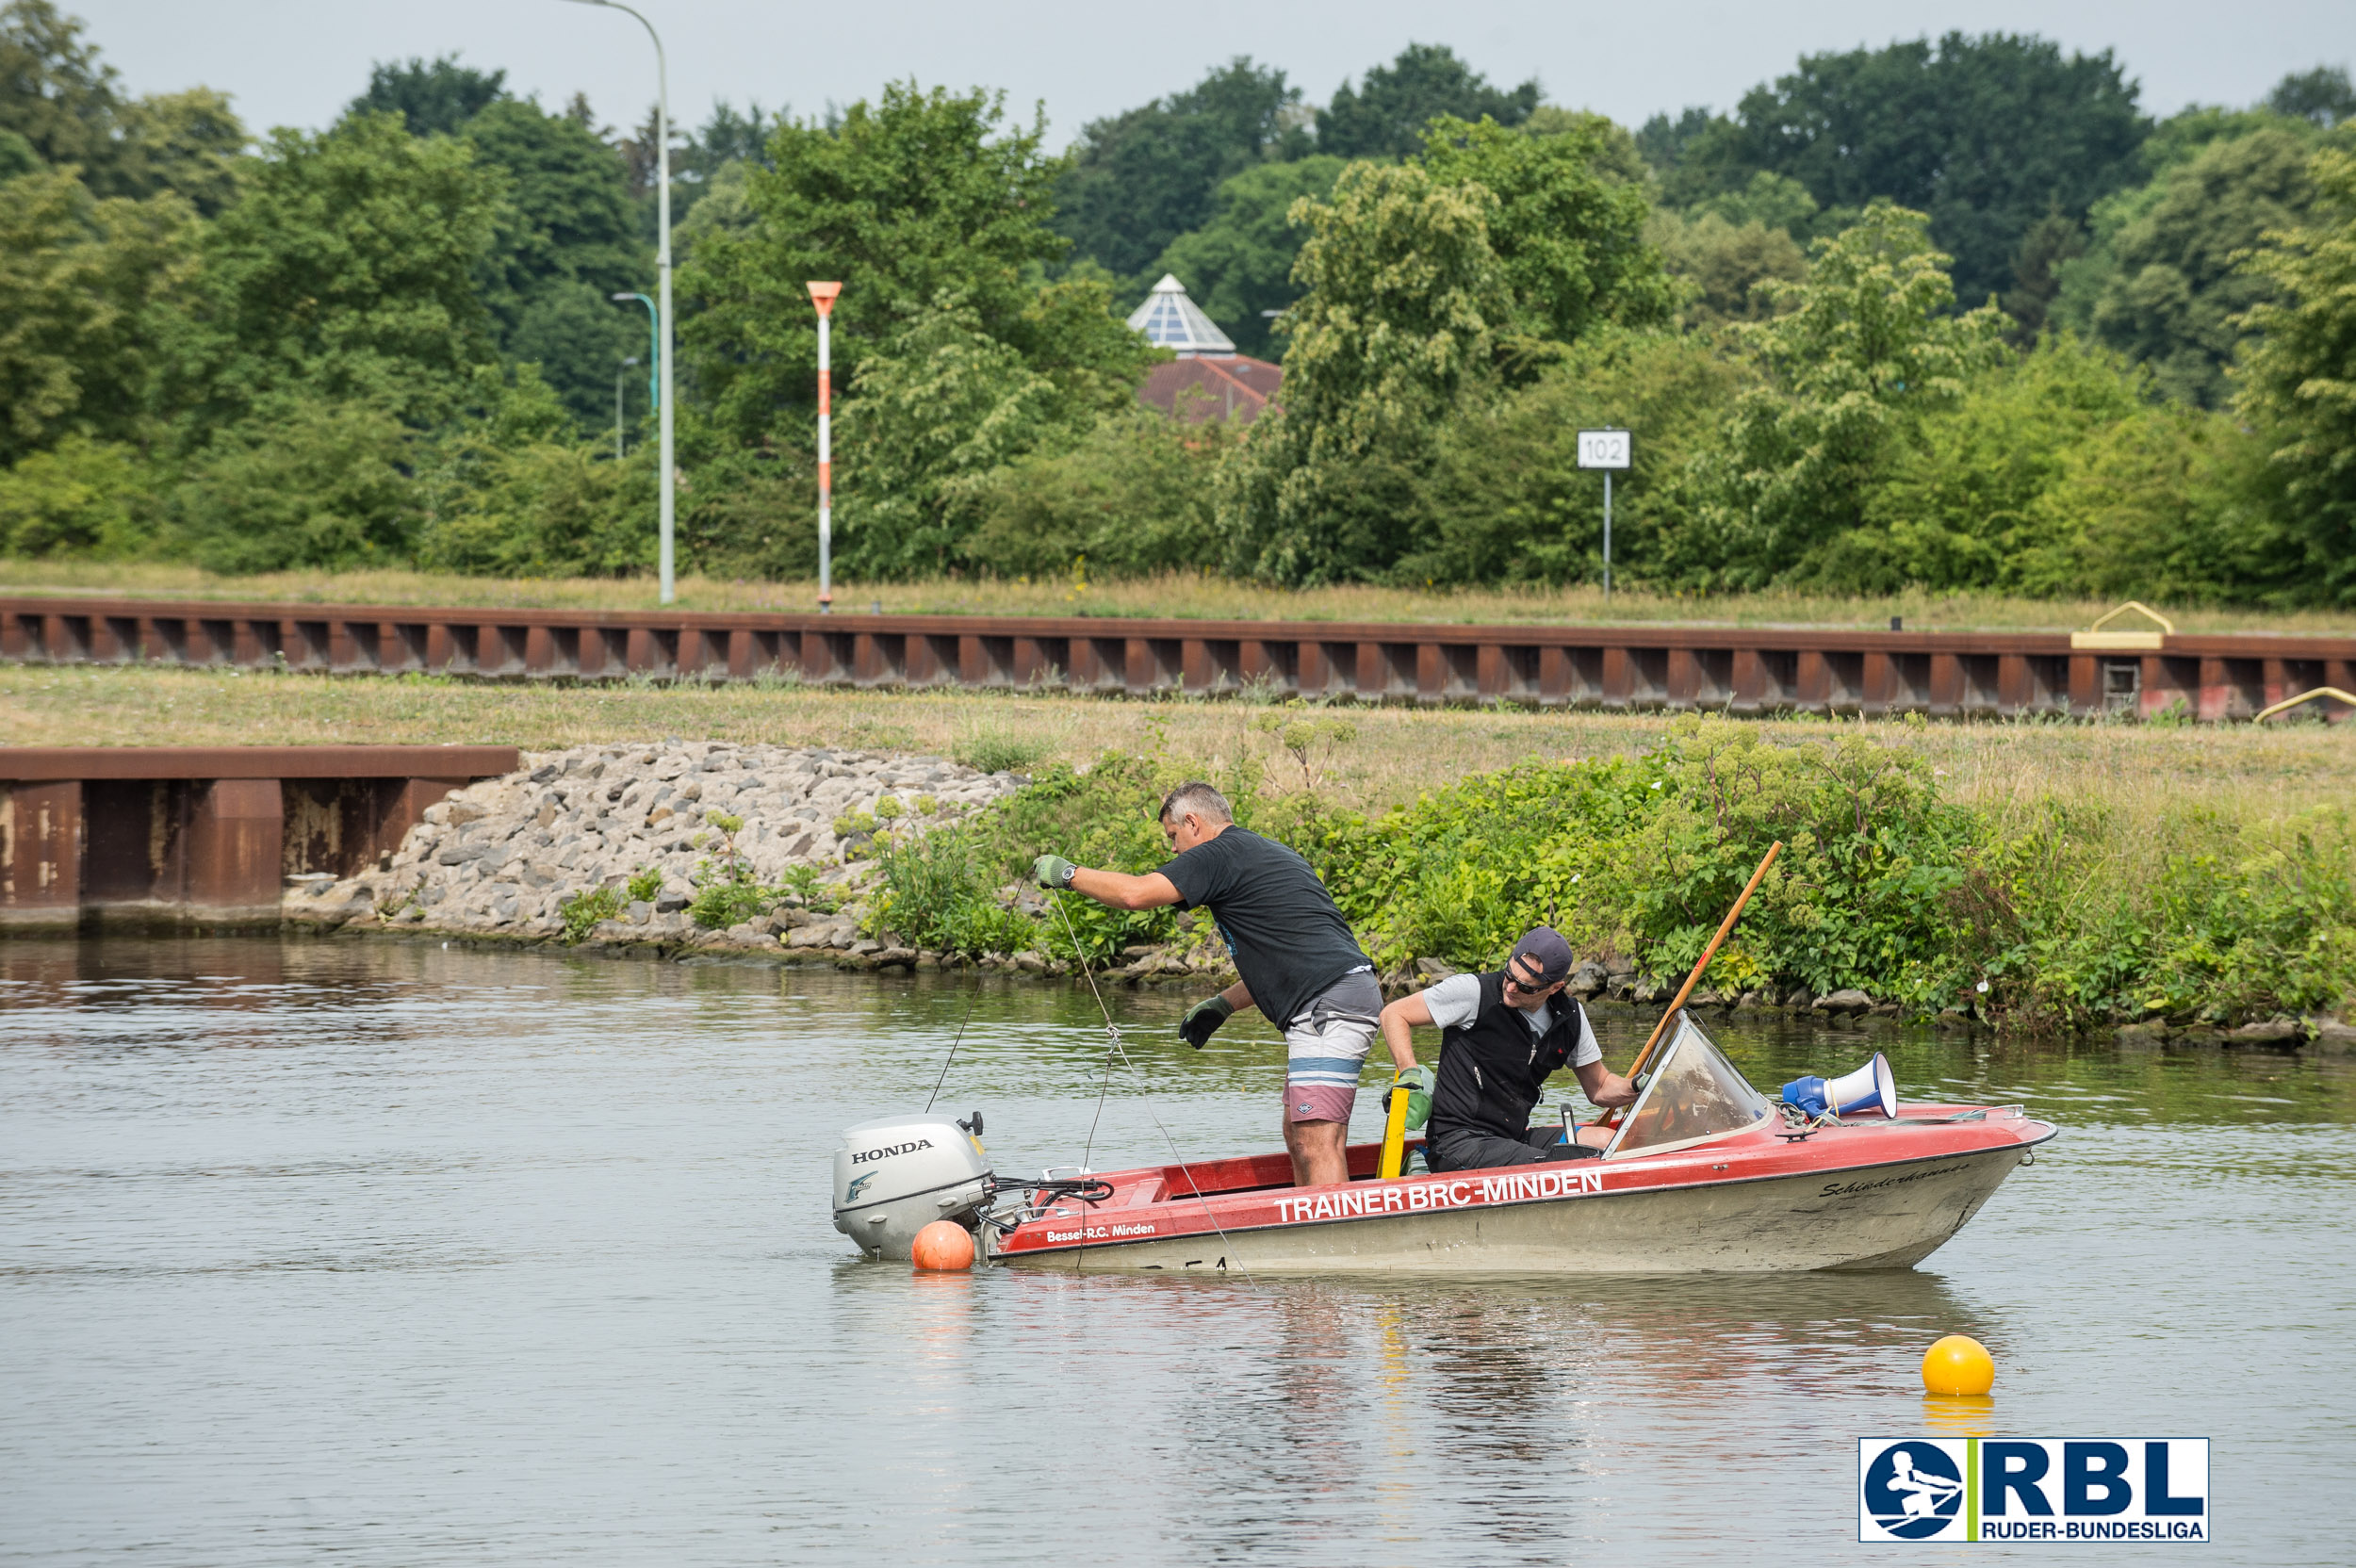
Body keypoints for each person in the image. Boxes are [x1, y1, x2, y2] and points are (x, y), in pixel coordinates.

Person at [1031, 781, 1379, 1188]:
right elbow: (1288, 959)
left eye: (1173, 838)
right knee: (1298, 1134)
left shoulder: (1219, 852)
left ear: (1193, 823)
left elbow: (1134, 894)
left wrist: (1068, 874)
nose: (1173, 851)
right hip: (1337, 994)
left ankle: (1331, 1239)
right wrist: (1223, 1004)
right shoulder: (1263, 851)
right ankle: (1312, 1225)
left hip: (1327, 1005)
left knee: (1317, 1141)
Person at [1376, 927, 1637, 1172]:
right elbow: (1394, 1014)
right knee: (1553, 1165)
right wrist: (1409, 1070)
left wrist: (1638, 1087)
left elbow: (1600, 1087)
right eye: (1509, 974)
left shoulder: (1570, 1018)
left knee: (1609, 1141)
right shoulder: (1472, 993)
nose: (1510, 987)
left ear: (1555, 987)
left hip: (1513, 1137)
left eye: (1526, 987)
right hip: (1457, 1143)